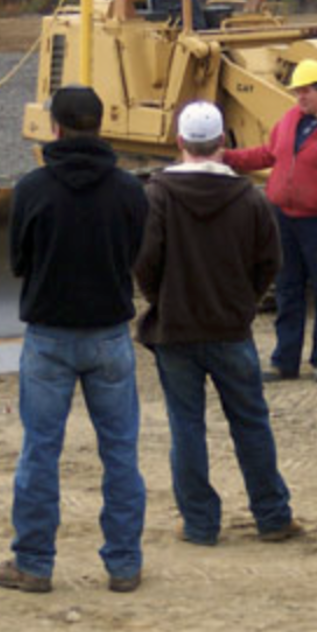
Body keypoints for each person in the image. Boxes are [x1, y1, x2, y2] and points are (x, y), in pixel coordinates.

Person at [0, 85, 149, 594]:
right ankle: (123, 562)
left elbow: (18, 260)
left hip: (49, 335)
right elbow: (135, 254)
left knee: (40, 451)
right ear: (101, 126)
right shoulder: (129, 190)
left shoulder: (32, 189)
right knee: (120, 452)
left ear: (55, 127)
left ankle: (34, 561)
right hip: (109, 334)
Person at [133, 101, 301, 546]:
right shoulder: (248, 198)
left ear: (180, 142)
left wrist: (163, 299)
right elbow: (271, 261)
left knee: (186, 426)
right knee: (251, 423)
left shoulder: (158, 195)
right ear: (223, 143)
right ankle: (272, 515)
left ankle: (200, 522)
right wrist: (244, 303)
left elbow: (145, 262)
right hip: (231, 328)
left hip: (176, 330)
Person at [225, 59, 317, 383]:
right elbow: (268, 154)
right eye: (296, 91)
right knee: (288, 289)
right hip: (285, 220)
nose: (299, 98)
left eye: (305, 91)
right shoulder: (290, 119)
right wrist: (230, 157)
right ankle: (284, 361)